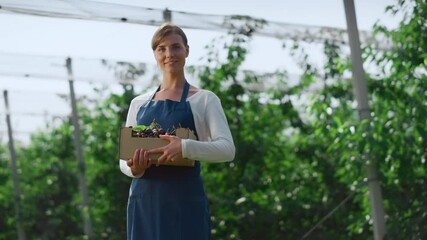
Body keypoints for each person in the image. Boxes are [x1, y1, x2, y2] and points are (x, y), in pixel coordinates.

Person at [119, 22, 235, 240]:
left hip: (184, 201)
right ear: (155, 54)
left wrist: (184, 147)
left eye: (175, 47)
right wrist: (135, 168)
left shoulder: (204, 99)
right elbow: (124, 159)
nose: (169, 54)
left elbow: (227, 149)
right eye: (161, 49)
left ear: (187, 51)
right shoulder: (139, 103)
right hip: (144, 202)